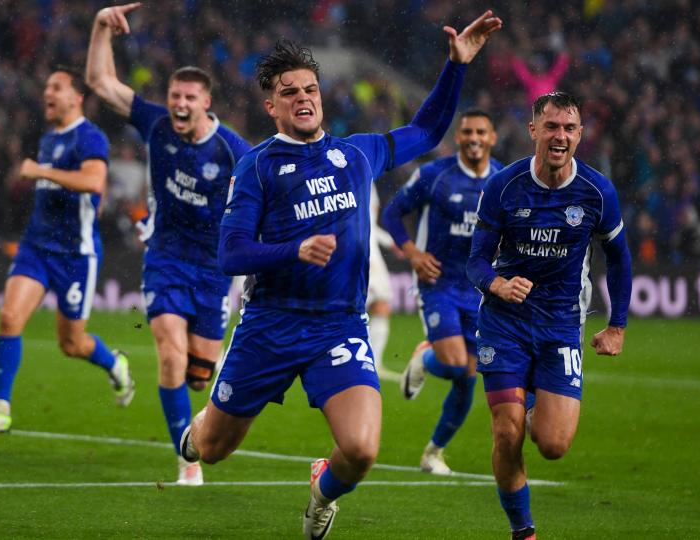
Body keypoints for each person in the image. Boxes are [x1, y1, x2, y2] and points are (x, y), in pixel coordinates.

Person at [181, 12, 502, 539]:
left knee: (361, 449)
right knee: (212, 451)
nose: (303, 97)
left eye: (310, 88)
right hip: (269, 325)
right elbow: (231, 255)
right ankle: (200, 428)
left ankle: (322, 491)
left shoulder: (356, 153)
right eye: (289, 92)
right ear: (272, 106)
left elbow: (425, 130)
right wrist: (293, 250)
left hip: (337, 325)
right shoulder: (257, 167)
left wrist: (455, 66)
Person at [86, 3, 252, 486]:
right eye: (175, 95)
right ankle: (188, 461)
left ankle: (196, 424)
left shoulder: (233, 151)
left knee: (200, 375)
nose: (179, 103)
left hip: (214, 269)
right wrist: (101, 26)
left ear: (206, 103)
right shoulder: (156, 123)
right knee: (169, 356)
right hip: (165, 258)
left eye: (189, 97)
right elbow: (100, 82)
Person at [466, 92, 631, 540]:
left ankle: (533, 396)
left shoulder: (597, 191)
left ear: (580, 135)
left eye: (569, 128)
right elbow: (475, 260)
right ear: (533, 129)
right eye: (552, 126)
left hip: (560, 326)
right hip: (504, 322)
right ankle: (523, 531)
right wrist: (496, 285)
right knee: (506, 434)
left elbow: (618, 258)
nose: (560, 136)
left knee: (554, 446)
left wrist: (617, 325)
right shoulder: (503, 184)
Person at [0, 66, 134, 435]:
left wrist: (41, 172)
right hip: (36, 246)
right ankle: (0, 408)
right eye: (46, 86)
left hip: (75, 254)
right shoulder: (48, 139)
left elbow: (93, 181)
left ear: (77, 97)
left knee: (71, 344)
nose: (48, 92)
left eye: (56, 87)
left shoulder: (90, 137)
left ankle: (114, 364)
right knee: (9, 319)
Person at [381, 109, 501, 474]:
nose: (474, 138)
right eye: (467, 132)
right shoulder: (435, 175)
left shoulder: (503, 181)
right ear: (458, 138)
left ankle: (434, 451)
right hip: (439, 284)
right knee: (451, 365)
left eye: (481, 131)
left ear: (492, 137)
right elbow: (392, 213)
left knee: (467, 379)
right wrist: (413, 253)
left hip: (480, 291)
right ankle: (425, 358)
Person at [367, 187, 399, 382]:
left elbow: (370, 224)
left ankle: (374, 363)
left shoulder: (368, 179)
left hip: (372, 257)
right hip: (361, 257)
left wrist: (390, 242)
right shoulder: (354, 175)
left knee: (381, 307)